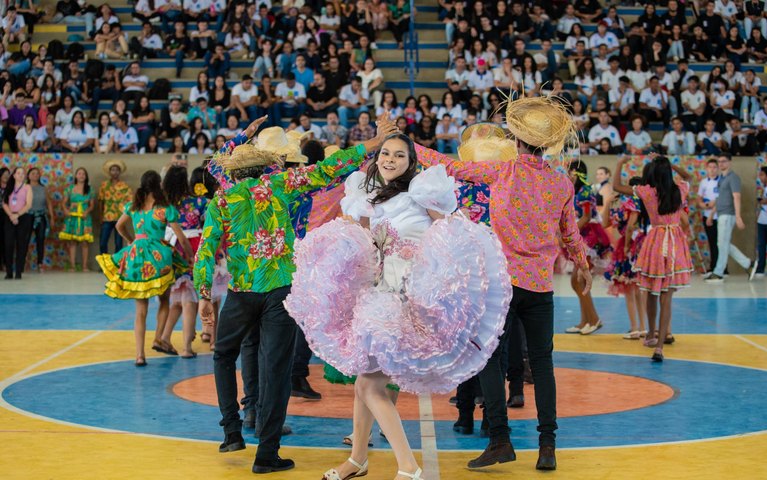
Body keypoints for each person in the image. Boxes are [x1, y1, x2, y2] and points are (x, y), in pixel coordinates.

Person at [287, 129, 509, 480]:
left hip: (408, 295)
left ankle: (407, 466)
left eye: (399, 155)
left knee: (371, 386)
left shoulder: (420, 192)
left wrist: (433, 268)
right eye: (385, 154)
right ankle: (358, 460)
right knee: (366, 381)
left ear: (410, 162)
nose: (389, 160)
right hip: (380, 290)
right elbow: (358, 238)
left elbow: (452, 230)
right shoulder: (367, 194)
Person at [193, 115, 396, 474]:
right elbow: (332, 167)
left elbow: (207, 249)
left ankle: (231, 432)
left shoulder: (222, 198)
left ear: (236, 171)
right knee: (276, 370)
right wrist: (374, 142)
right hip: (280, 290)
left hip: (241, 291)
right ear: (266, 167)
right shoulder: (280, 184)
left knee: (224, 355)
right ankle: (266, 454)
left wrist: (204, 295)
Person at [414, 95, 591, 471]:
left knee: (489, 358)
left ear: (519, 140)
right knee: (542, 364)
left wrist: (405, 145)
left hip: (504, 285)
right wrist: (583, 265)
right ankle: (547, 446)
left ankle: (500, 439)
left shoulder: (503, 171)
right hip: (541, 287)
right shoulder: (561, 183)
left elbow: (450, 166)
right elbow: (571, 235)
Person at [96, 170, 192, 366]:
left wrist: (133, 241)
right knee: (164, 299)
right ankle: (158, 337)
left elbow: (119, 226)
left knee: (141, 309)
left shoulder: (133, 206)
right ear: (158, 185)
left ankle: (139, 355)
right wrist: (190, 256)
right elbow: (180, 237)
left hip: (137, 256)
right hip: (159, 256)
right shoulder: (164, 208)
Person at [612, 155, 693, 361]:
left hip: (656, 241)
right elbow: (688, 176)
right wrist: (670, 163)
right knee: (667, 296)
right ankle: (659, 346)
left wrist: (621, 163)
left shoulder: (647, 193)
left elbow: (617, 186)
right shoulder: (680, 190)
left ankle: (650, 333)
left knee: (651, 291)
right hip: (675, 243)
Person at [159, 166, 208, 358]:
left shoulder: (164, 206)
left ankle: (164, 337)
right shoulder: (199, 202)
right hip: (190, 247)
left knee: (178, 299)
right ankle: (186, 347)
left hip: (169, 249)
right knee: (190, 301)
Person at [563, 160, 609, 336]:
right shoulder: (576, 191)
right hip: (581, 235)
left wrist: (570, 233)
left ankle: (594, 319)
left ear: (576, 172)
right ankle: (585, 321)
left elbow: (587, 216)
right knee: (576, 281)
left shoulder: (586, 191)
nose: (568, 175)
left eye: (570, 172)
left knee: (580, 280)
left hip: (589, 238)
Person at [603, 176, 646, 339]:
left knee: (629, 291)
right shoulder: (647, 203)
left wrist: (627, 246)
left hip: (629, 246)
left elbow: (609, 224)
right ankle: (642, 327)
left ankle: (634, 328)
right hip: (643, 245)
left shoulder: (628, 204)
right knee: (639, 290)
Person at [705, 156, 759, 283]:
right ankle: (748, 264)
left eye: (724, 161)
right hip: (721, 214)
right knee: (723, 244)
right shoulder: (722, 179)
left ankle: (718, 273)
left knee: (722, 244)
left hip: (728, 215)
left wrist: (738, 216)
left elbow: (737, 197)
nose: (721, 163)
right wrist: (712, 214)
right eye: (719, 161)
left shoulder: (733, 178)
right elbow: (720, 199)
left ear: (729, 162)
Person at [59, 168, 95, 272]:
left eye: (83, 174)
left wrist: (87, 211)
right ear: (75, 176)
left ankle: (84, 266)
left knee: (85, 242)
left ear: (86, 176)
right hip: (72, 217)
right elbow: (63, 202)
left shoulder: (90, 189)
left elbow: (92, 205)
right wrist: (65, 209)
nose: (81, 175)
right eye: (79, 173)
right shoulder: (69, 189)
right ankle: (72, 266)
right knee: (72, 242)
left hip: (84, 217)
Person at [2, 167, 33, 279]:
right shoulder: (8, 187)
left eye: (22, 173)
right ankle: (9, 271)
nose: (20, 175)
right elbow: (4, 203)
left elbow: (28, 204)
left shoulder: (27, 187)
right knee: (8, 244)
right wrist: (11, 215)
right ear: (14, 175)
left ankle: (19, 271)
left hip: (23, 217)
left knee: (21, 245)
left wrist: (17, 215)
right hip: (10, 217)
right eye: (18, 173)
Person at [99, 159, 133, 255]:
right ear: (109, 172)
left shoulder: (125, 186)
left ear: (120, 172)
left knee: (118, 244)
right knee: (103, 242)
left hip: (119, 218)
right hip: (107, 217)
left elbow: (130, 202)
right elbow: (101, 201)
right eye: (112, 169)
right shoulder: (104, 185)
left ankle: (117, 265)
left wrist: (126, 217)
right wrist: (100, 216)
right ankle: (105, 265)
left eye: (117, 170)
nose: (115, 172)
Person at [697, 159, 721, 275]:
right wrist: (703, 205)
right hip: (707, 216)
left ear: (718, 168)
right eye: (710, 167)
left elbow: (723, 198)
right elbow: (699, 199)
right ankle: (713, 266)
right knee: (711, 242)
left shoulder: (722, 181)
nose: (712, 169)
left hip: (720, 216)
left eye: (714, 167)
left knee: (720, 243)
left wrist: (714, 203)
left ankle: (722, 268)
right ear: (706, 169)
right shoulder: (703, 182)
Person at [27, 167, 53, 272]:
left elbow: (49, 202)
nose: (35, 175)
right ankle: (22, 262)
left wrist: (52, 217)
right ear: (28, 175)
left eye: (37, 173)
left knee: (40, 239)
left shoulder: (43, 188)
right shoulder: (24, 187)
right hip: (27, 216)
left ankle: (40, 263)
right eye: (33, 173)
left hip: (41, 215)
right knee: (24, 239)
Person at [757, 166, 767, 277]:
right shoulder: (763, 187)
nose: (760, 177)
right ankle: (760, 269)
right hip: (762, 220)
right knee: (761, 245)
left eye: (762, 175)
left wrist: (766, 201)